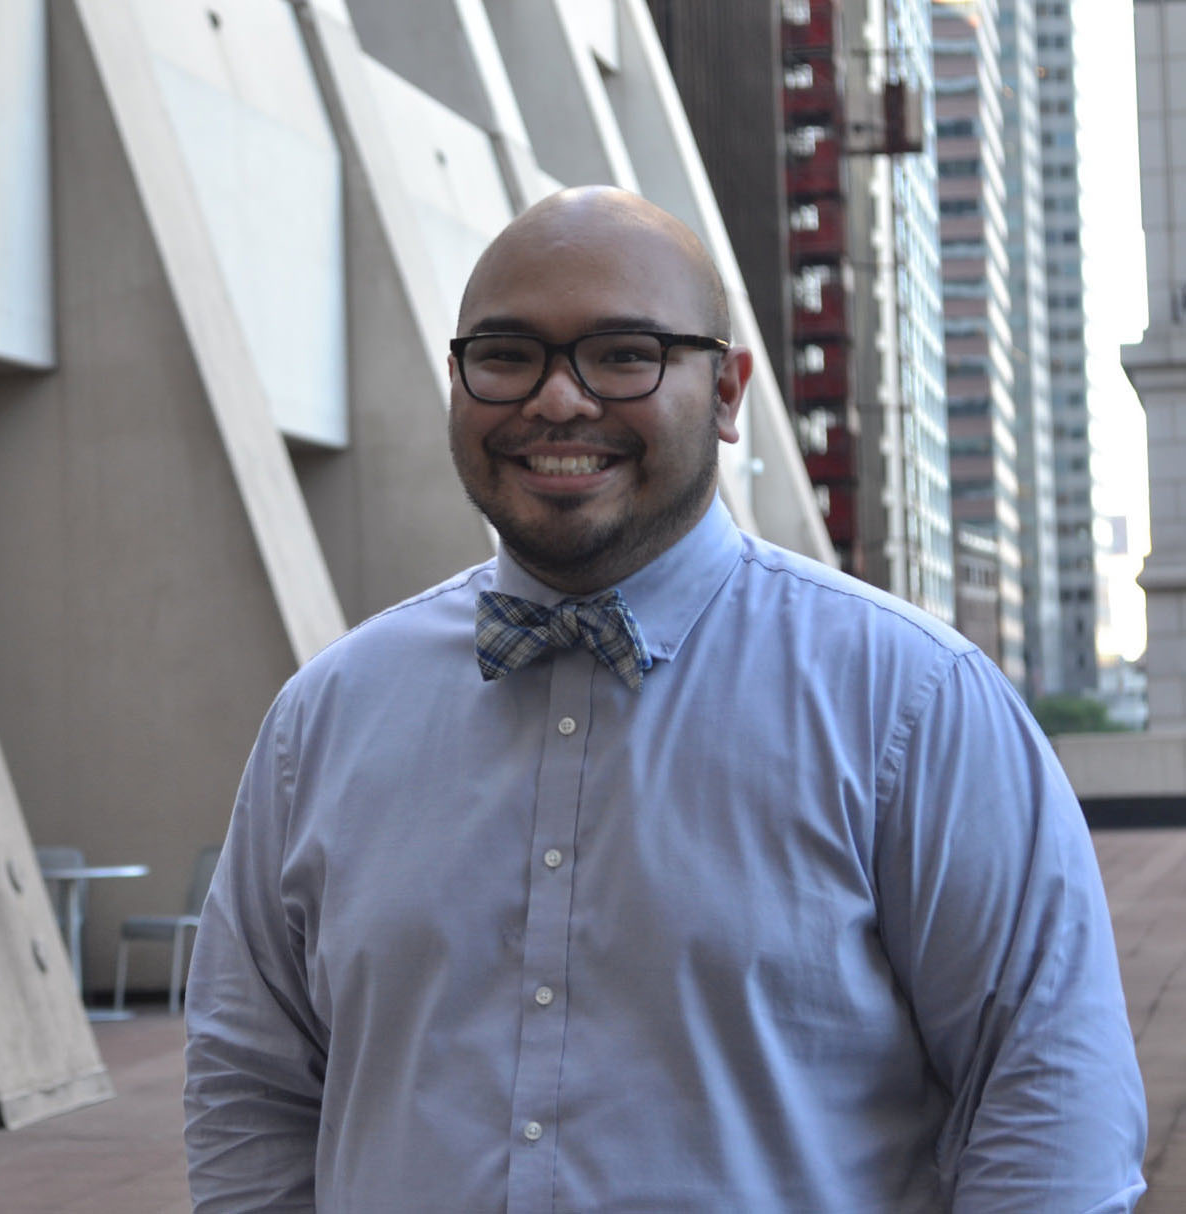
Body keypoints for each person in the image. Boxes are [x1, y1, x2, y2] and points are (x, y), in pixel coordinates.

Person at [181, 186, 1146, 1211]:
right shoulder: (325, 719)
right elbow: (250, 1084)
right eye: (507, 354)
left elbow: (1051, 1093)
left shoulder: (912, 702)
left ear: (728, 391)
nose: (557, 400)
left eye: (623, 352)